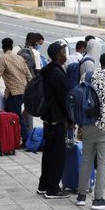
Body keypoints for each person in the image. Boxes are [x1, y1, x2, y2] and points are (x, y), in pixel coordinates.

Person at [77, 53, 105, 210]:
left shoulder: (88, 75)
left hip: (88, 123)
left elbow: (80, 95)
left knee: (86, 159)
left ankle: (81, 196)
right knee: (103, 163)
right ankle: (98, 199)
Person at [38, 42, 72, 199]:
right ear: (58, 56)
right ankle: (52, 189)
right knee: (58, 155)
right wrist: (71, 119)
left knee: (48, 153)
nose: (66, 55)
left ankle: (43, 185)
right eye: (64, 52)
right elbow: (63, 100)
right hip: (57, 120)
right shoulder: (57, 74)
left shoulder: (48, 70)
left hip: (48, 119)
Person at [0, 38, 32, 143]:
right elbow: (29, 76)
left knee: (16, 116)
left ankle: (27, 139)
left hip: (14, 93)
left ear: (3, 47)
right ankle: (10, 136)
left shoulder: (3, 58)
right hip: (24, 91)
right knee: (7, 113)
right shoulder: (20, 58)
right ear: (11, 46)